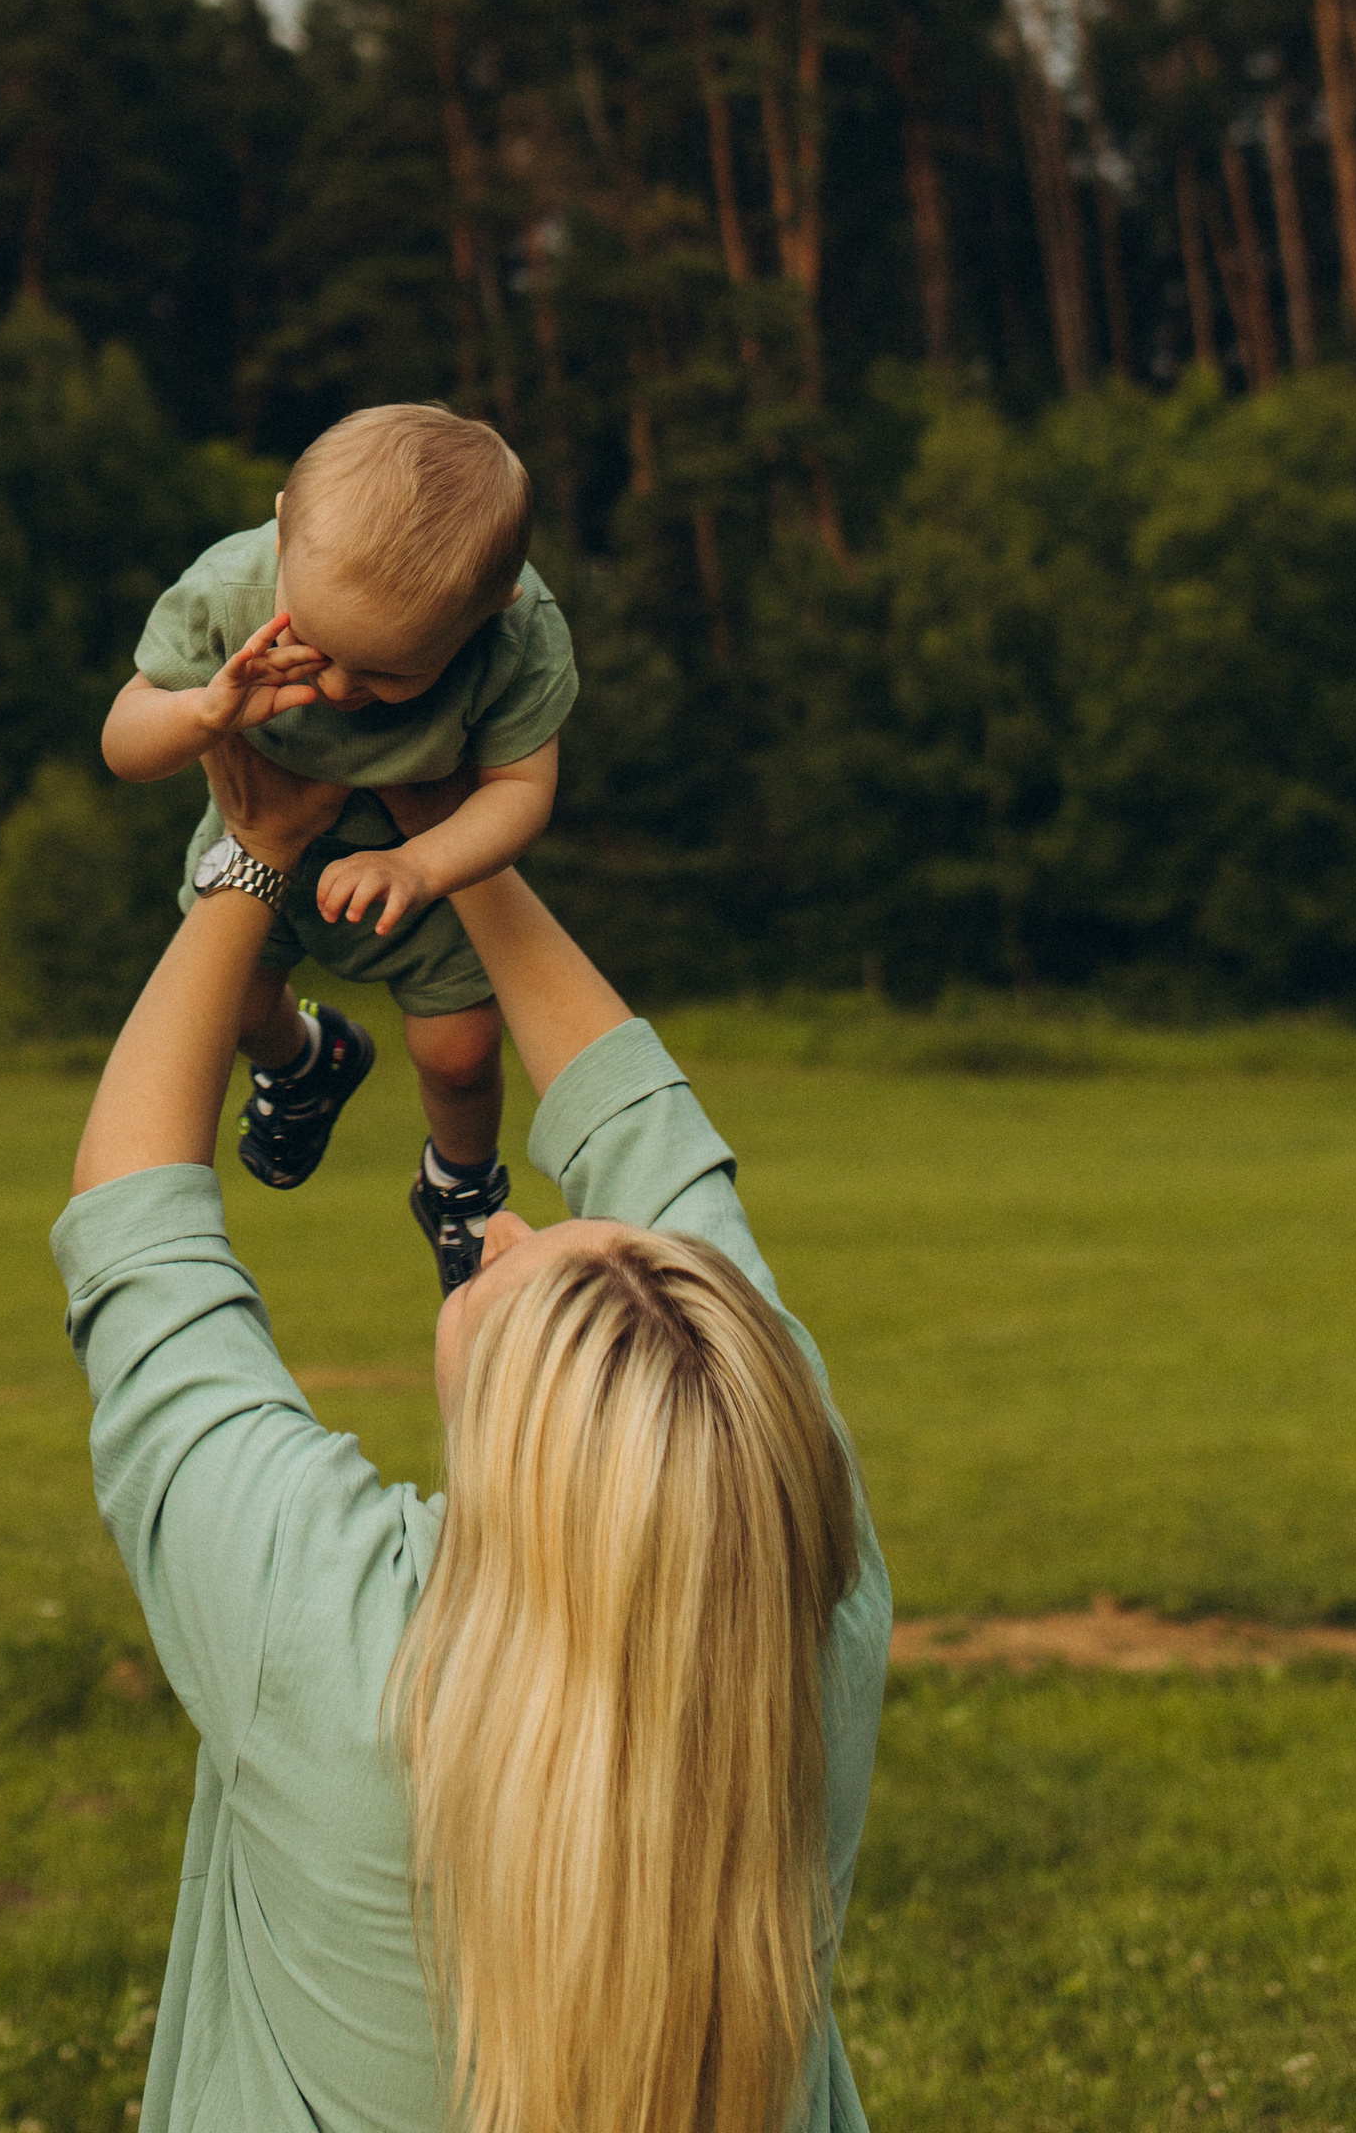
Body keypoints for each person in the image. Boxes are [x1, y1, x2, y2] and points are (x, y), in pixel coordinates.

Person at [55, 734, 891, 2133]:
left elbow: (134, 1225)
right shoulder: (818, 1603)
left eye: (521, 1276)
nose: (501, 1223)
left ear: (521, 1444)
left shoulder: (327, 1640)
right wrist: (452, 826)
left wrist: (252, 857)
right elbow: (651, 1142)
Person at [102, 404, 577, 1292]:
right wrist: (202, 713)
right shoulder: (229, 590)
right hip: (258, 844)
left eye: (390, 672)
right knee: (233, 1009)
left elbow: (521, 792)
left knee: (461, 1053)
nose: (339, 684)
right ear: (283, 529)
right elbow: (123, 743)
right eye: (315, 645)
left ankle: (462, 1186)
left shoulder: (520, 634)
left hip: (432, 862)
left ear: (494, 607)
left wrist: (420, 865)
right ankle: (305, 1062)